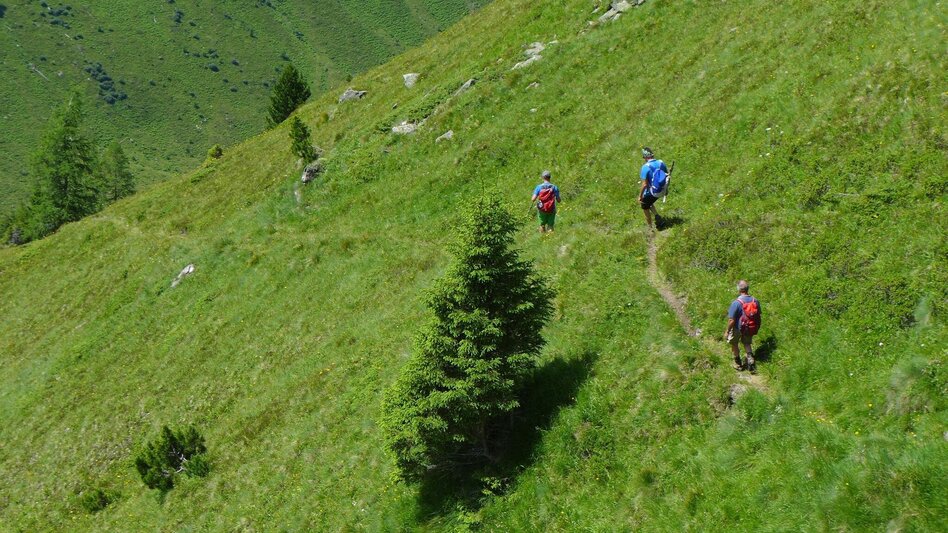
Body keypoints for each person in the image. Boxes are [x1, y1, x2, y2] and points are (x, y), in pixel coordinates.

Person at [724, 280, 762, 372]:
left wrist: (727, 331)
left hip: (738, 328)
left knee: (734, 343)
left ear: (739, 289)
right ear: (747, 289)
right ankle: (750, 360)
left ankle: (738, 364)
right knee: (747, 343)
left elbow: (731, 320)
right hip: (750, 327)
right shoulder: (755, 301)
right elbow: (759, 314)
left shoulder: (736, 303)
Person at [638, 147, 669, 230]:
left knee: (644, 205)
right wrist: (666, 189)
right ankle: (657, 216)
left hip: (654, 192)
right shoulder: (661, 162)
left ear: (645, 157)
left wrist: (640, 196)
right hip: (663, 189)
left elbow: (644, 184)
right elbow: (666, 176)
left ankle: (650, 228)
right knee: (649, 201)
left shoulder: (645, 167)